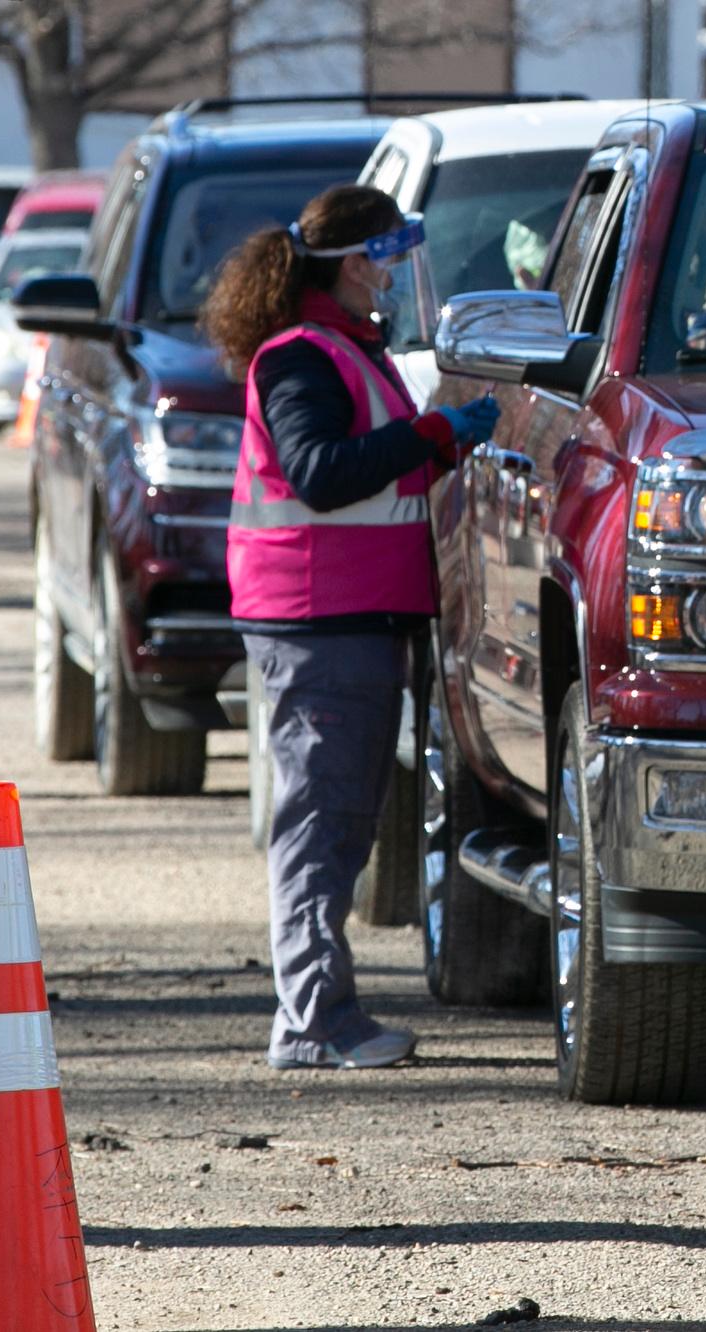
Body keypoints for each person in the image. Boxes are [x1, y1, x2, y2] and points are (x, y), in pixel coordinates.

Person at [199, 185, 498, 1070]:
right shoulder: (302, 358)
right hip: (317, 620)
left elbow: (365, 470)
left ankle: (323, 1012)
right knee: (321, 827)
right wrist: (434, 431)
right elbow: (322, 472)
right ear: (355, 261)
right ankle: (311, 1023)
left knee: (340, 823)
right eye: (390, 257)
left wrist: (436, 441)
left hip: (345, 618)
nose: (398, 276)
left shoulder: (342, 352)